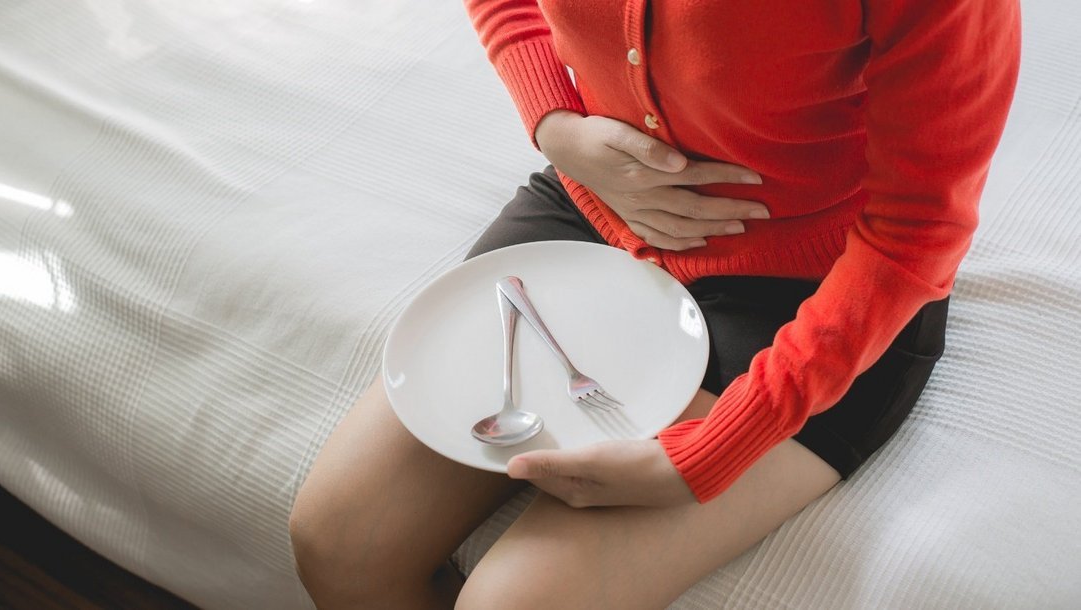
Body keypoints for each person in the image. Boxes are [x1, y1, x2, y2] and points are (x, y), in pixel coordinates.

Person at [288, 0, 1021, 607]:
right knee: (339, 539)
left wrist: (716, 448)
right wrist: (554, 121)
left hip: (826, 288)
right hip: (597, 203)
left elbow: (917, 233)